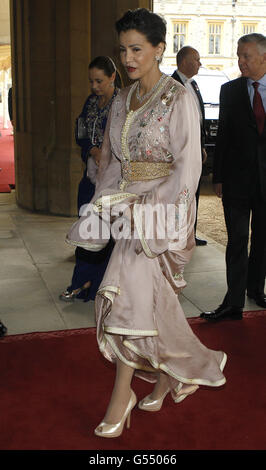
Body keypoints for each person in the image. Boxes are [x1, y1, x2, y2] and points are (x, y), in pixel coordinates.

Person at [66, 8, 227, 438]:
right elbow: (113, 164)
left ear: (159, 48)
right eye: (123, 50)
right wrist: (103, 210)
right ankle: (169, 374)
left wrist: (154, 215)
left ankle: (123, 396)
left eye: (137, 49)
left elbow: (188, 168)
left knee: (127, 299)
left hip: (158, 215)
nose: (129, 58)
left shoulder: (179, 99)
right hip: (127, 209)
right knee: (150, 301)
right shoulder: (122, 100)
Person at [201, 33, 266, 322]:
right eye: (239, 55)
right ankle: (234, 302)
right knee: (237, 241)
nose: (240, 61)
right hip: (237, 181)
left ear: (264, 58)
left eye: (246, 56)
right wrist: (219, 176)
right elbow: (224, 137)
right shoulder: (229, 91)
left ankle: (257, 289)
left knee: (263, 240)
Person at [59, 56, 121, 302]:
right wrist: (91, 149)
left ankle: (100, 285)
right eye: (91, 81)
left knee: (109, 235)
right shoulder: (91, 102)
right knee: (86, 230)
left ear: (112, 77)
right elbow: (81, 131)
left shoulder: (123, 104)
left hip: (113, 181)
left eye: (99, 81)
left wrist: (105, 154)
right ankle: (81, 282)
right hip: (90, 178)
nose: (94, 87)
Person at [172, 46, 207, 246]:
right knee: (179, 191)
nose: (200, 63)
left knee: (194, 190)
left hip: (195, 149)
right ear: (184, 61)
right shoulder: (171, 84)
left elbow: (199, 118)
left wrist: (201, 145)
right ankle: (177, 234)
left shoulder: (193, 85)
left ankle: (190, 234)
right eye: (197, 59)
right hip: (180, 151)